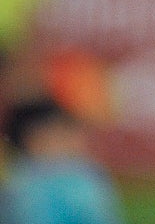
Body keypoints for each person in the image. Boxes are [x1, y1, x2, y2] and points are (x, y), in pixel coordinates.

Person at [1, 96, 125, 224]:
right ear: (33, 141)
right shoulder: (25, 184)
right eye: (63, 133)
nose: (74, 139)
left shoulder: (85, 171)